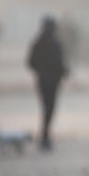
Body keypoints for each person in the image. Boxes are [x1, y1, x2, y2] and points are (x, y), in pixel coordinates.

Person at [27, 15, 68, 151]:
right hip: (52, 81)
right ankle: (45, 135)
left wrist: (40, 70)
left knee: (46, 107)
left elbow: (30, 63)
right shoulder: (56, 43)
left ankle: (45, 134)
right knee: (50, 108)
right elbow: (60, 63)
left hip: (43, 80)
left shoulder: (38, 43)